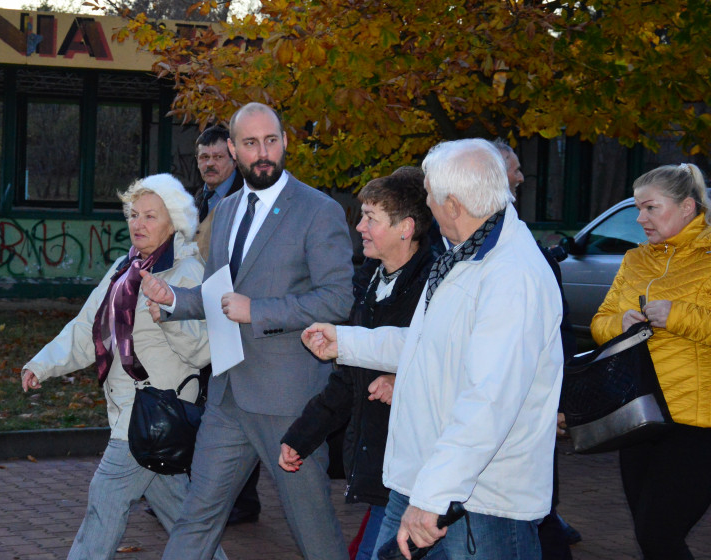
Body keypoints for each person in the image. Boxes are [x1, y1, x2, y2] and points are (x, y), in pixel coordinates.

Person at [302, 138, 564, 560]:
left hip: (477, 501)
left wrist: (434, 496)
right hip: (425, 481)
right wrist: (348, 342)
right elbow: (429, 345)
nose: (424, 203)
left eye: (429, 194)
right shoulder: (463, 254)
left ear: (453, 205)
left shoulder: (513, 276)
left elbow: (489, 401)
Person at [142, 102, 354, 560]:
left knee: (313, 531)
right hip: (227, 395)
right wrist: (175, 301)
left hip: (288, 402)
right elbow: (220, 294)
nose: (264, 152)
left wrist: (257, 310)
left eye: (272, 141)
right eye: (252, 143)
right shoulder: (227, 210)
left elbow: (337, 299)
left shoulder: (319, 211)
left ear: (285, 143)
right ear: (234, 150)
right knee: (197, 515)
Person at [20, 173, 228, 560]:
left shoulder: (189, 271)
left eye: (150, 216)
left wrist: (168, 310)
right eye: (134, 215)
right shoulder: (125, 267)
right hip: (134, 413)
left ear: (174, 221)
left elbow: (204, 351)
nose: (138, 224)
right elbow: (88, 327)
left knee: (105, 499)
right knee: (185, 519)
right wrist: (42, 365)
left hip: (155, 411)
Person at [279, 169, 438, 560]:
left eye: (371, 218)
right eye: (362, 215)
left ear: (406, 228)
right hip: (383, 467)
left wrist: (402, 380)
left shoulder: (435, 285)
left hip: (418, 469)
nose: (360, 226)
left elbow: (444, 359)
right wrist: (301, 435)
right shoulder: (369, 281)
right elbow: (348, 378)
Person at [590, 163, 711, 560]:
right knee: (649, 536)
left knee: (658, 531)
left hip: (698, 423)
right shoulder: (634, 261)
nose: (639, 218)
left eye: (650, 208)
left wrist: (675, 315)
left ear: (687, 207)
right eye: (638, 209)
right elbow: (598, 322)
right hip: (639, 414)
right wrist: (618, 324)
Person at [493, 139, 581, 559]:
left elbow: (557, 333)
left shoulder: (520, 247)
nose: (522, 177)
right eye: (514, 168)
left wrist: (557, 400)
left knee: (535, 514)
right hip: (502, 419)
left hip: (526, 411)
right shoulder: (462, 247)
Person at [193, 124, 261, 526]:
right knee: (209, 405)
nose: (210, 164)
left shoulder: (244, 202)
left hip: (237, 322)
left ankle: (241, 498)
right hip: (201, 316)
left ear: (233, 158)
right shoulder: (199, 199)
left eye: (218, 157)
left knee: (238, 409)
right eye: (204, 157)